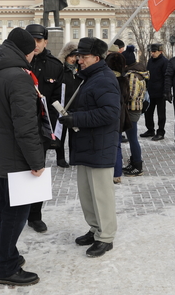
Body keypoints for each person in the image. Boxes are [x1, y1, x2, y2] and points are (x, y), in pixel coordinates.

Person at [0, 27, 46, 286]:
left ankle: (8, 255)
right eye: (31, 53)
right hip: (15, 155)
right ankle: (6, 267)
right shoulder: (18, 77)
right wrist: (36, 161)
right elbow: (25, 126)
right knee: (15, 214)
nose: (32, 58)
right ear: (25, 52)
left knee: (6, 209)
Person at [59, 37, 120, 258]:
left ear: (96, 58)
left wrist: (76, 119)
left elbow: (110, 113)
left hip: (99, 145)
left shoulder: (103, 79)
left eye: (83, 57)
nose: (78, 60)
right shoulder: (88, 78)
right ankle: (95, 229)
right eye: (78, 56)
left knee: (101, 194)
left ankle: (106, 237)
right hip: (86, 144)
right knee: (87, 194)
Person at [23, 24, 64, 233]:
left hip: (40, 129)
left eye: (39, 40)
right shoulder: (17, 63)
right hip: (19, 127)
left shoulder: (55, 66)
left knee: (37, 171)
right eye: (31, 40)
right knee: (11, 172)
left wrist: (55, 130)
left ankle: (35, 216)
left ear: (45, 42)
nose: (35, 44)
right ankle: (2, 212)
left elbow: (58, 101)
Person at [107, 52, 133, 184]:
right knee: (117, 145)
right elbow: (127, 97)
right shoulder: (123, 80)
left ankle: (109, 172)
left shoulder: (106, 79)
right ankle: (117, 174)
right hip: (120, 115)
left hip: (108, 115)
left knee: (108, 145)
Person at [123, 55, 149, 176]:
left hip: (132, 109)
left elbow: (131, 95)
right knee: (132, 138)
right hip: (135, 109)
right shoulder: (139, 73)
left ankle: (137, 166)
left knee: (133, 139)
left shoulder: (133, 75)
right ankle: (134, 162)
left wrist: (121, 98)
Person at [57, 41, 81, 165]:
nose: (73, 59)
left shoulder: (80, 71)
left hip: (76, 106)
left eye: (76, 56)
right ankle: (60, 157)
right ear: (65, 56)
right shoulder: (61, 70)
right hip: (62, 106)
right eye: (71, 56)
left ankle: (73, 157)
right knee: (61, 134)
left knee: (75, 135)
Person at [143, 43, 168, 141]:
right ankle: (150, 130)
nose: (152, 53)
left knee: (161, 114)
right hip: (150, 91)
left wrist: (166, 91)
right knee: (148, 112)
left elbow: (167, 77)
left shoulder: (165, 62)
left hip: (161, 92)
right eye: (151, 51)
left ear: (160, 51)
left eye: (154, 51)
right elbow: (147, 74)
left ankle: (161, 132)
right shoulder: (150, 61)